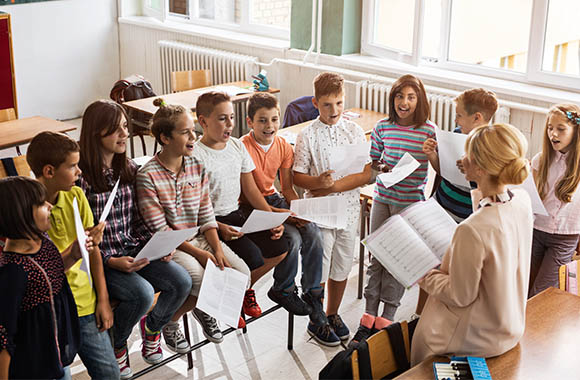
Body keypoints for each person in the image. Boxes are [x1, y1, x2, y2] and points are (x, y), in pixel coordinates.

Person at [78, 100, 192, 377]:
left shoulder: (128, 168)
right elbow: (80, 240)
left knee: (181, 281)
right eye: (115, 130)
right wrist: (111, 260)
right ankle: (118, 345)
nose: (125, 134)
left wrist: (157, 246)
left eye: (125, 127)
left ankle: (152, 329)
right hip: (102, 261)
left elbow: (138, 220)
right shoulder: (80, 178)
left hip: (133, 250)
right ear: (96, 134)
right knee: (141, 293)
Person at [411, 123, 533, 364]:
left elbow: (459, 295)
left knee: (421, 336)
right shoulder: (522, 201)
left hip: (475, 338)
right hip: (510, 325)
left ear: (480, 167)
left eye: (467, 154)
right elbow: (494, 218)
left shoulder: (471, 229)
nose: (462, 159)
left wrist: (425, 273)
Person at [137, 98, 251, 343]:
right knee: (200, 280)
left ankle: (198, 307)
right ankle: (162, 321)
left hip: (200, 237)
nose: (193, 137)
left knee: (242, 275)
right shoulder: (147, 177)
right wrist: (201, 255)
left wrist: (217, 250)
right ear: (165, 138)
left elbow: (206, 213)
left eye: (193, 130)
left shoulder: (196, 165)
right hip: (172, 247)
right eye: (185, 132)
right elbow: (162, 231)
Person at [192, 92, 296, 319]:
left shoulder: (237, 147)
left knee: (280, 247)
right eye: (222, 118)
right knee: (252, 257)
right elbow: (194, 207)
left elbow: (250, 190)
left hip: (236, 214)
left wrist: (270, 218)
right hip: (212, 222)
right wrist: (218, 226)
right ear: (203, 122)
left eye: (231, 117)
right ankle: (224, 298)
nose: (230, 124)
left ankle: (240, 291)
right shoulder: (196, 156)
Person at [27, 131, 120, 379]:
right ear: (49, 172)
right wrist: (75, 250)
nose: (80, 172)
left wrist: (102, 298)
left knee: (110, 373)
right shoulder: (27, 212)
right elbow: (40, 270)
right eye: (73, 166)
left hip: (84, 304)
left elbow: (94, 252)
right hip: (50, 312)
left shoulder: (76, 196)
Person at [352, 74, 436, 344]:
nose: (404, 102)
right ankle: (367, 317)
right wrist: (382, 168)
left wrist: (433, 155)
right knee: (377, 256)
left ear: (419, 100)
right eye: (400, 96)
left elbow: (439, 170)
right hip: (383, 197)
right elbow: (374, 161)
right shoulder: (383, 127)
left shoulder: (429, 131)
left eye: (411, 97)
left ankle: (386, 320)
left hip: (410, 203)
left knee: (397, 262)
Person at [293, 72, 371, 346]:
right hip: (321, 214)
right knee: (320, 270)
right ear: (315, 103)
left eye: (338, 103)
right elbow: (297, 177)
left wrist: (333, 186)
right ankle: (317, 319)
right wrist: (317, 182)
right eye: (327, 104)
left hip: (349, 211)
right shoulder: (307, 135)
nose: (334, 110)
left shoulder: (354, 131)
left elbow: (365, 174)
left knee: (341, 268)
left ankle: (333, 313)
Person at [240, 92, 326, 336]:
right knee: (293, 239)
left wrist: (299, 211)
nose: (270, 126)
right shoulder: (242, 147)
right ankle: (283, 289)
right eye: (263, 120)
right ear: (250, 122)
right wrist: (282, 216)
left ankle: (313, 294)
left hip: (273, 198)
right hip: (249, 205)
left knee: (312, 230)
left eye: (274, 120)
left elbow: (286, 188)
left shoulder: (282, 146)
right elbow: (248, 194)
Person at [0, 177, 82, 380]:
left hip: (55, 350)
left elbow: (50, 276)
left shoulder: (43, 242)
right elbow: (4, 336)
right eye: (41, 204)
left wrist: (73, 254)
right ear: (21, 215)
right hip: (34, 366)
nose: (50, 205)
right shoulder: (12, 271)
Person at [423, 88, 499, 222]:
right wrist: (432, 155)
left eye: (459, 115)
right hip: (439, 206)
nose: (455, 120)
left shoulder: (492, 147)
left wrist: (473, 172)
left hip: (464, 218)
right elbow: (443, 171)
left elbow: (491, 190)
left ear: (477, 117)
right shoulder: (456, 133)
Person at [528, 104, 580, 297]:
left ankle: (533, 326)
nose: (553, 134)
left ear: (575, 131)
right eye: (550, 128)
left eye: (560, 129)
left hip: (565, 237)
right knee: (524, 285)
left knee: (541, 292)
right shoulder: (540, 160)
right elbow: (531, 197)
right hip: (536, 230)